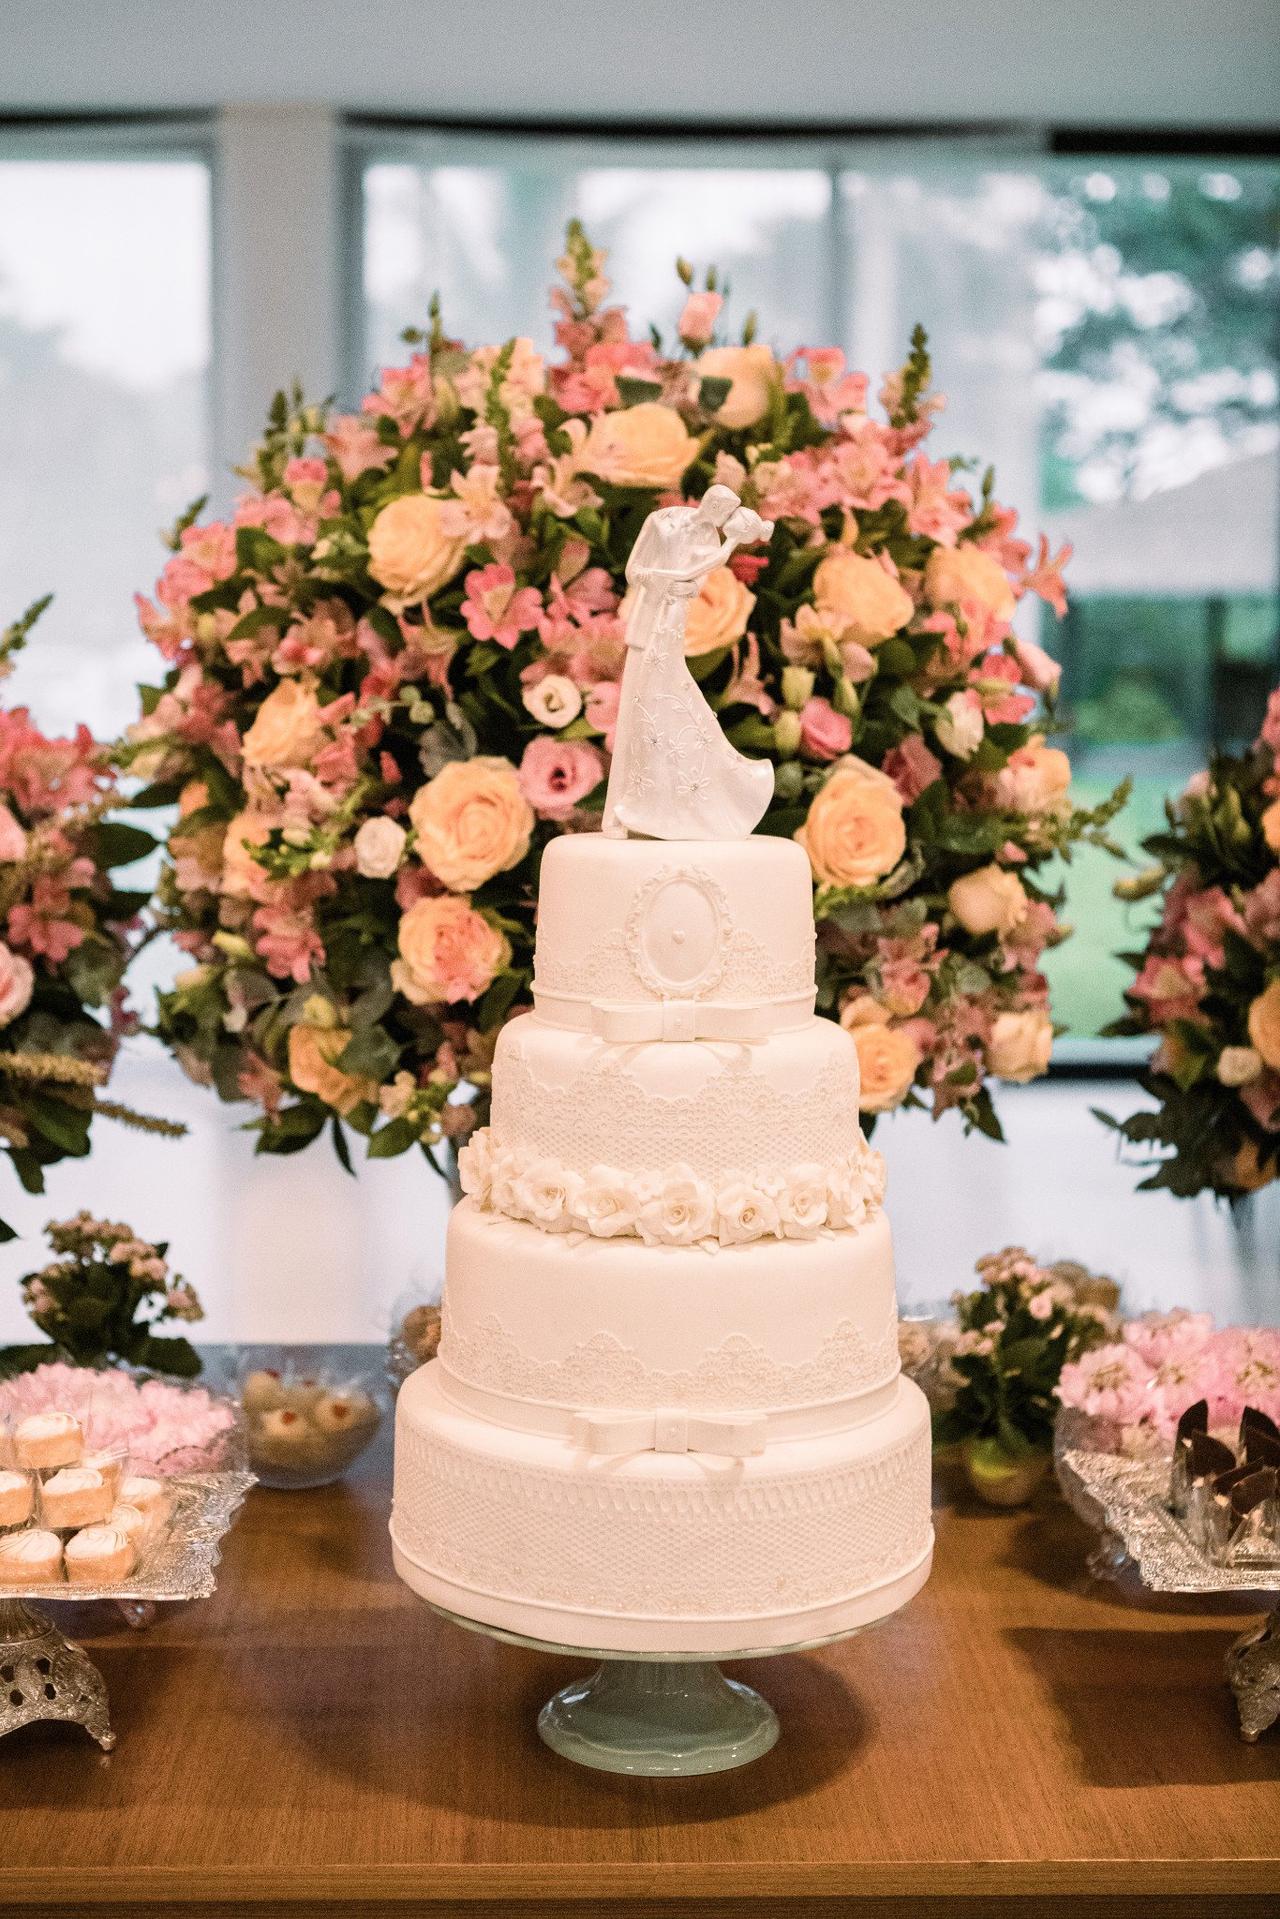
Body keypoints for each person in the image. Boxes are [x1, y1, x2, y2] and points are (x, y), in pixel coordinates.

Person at [602, 485, 775, 841]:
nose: (717, 510)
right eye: (717, 501)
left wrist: (728, 547)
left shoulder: (714, 543)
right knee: (633, 707)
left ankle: (648, 804)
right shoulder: (662, 518)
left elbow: (691, 579)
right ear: (707, 497)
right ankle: (618, 811)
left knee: (657, 698)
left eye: (726, 510)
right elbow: (635, 568)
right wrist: (651, 578)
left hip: (673, 617)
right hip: (648, 612)